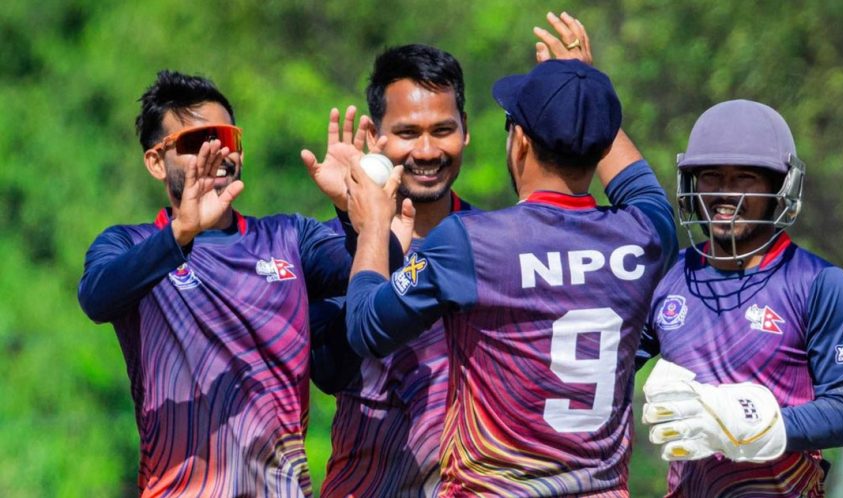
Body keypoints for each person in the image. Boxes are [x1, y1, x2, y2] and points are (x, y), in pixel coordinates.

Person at [337, 15, 679, 494]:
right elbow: (640, 187)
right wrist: (584, 93)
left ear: (519, 141)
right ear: (602, 141)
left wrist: (374, 224)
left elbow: (366, 327)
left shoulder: (472, 243)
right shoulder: (646, 235)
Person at [78, 70, 355, 497]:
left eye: (227, 139)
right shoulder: (129, 244)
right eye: (196, 143)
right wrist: (180, 235)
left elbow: (372, 268)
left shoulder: (289, 237)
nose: (217, 152)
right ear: (156, 162)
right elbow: (96, 298)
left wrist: (352, 208)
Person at [639, 99, 843, 497]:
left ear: (781, 188)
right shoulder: (668, 278)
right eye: (711, 177)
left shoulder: (818, 283)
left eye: (745, 178)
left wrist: (750, 423)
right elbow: (603, 370)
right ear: (691, 185)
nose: (725, 194)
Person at [306, 44, 478, 497]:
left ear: (466, 130)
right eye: (407, 133)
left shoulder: (493, 242)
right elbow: (329, 371)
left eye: (443, 130)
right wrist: (362, 231)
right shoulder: (331, 247)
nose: (427, 150)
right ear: (375, 136)